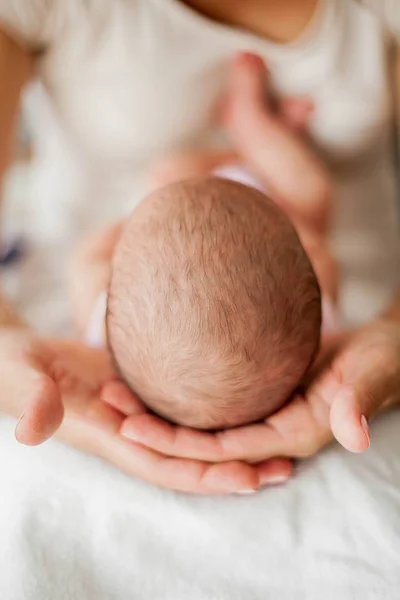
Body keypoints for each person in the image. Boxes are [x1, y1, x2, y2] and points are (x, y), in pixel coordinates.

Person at [0, 0, 400, 495]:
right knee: (309, 197)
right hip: (274, 201)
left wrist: (126, 229)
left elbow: (86, 260)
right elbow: (319, 252)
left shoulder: (95, 329)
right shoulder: (324, 342)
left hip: (238, 200)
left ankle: (254, 132)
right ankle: (253, 123)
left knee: (176, 173)